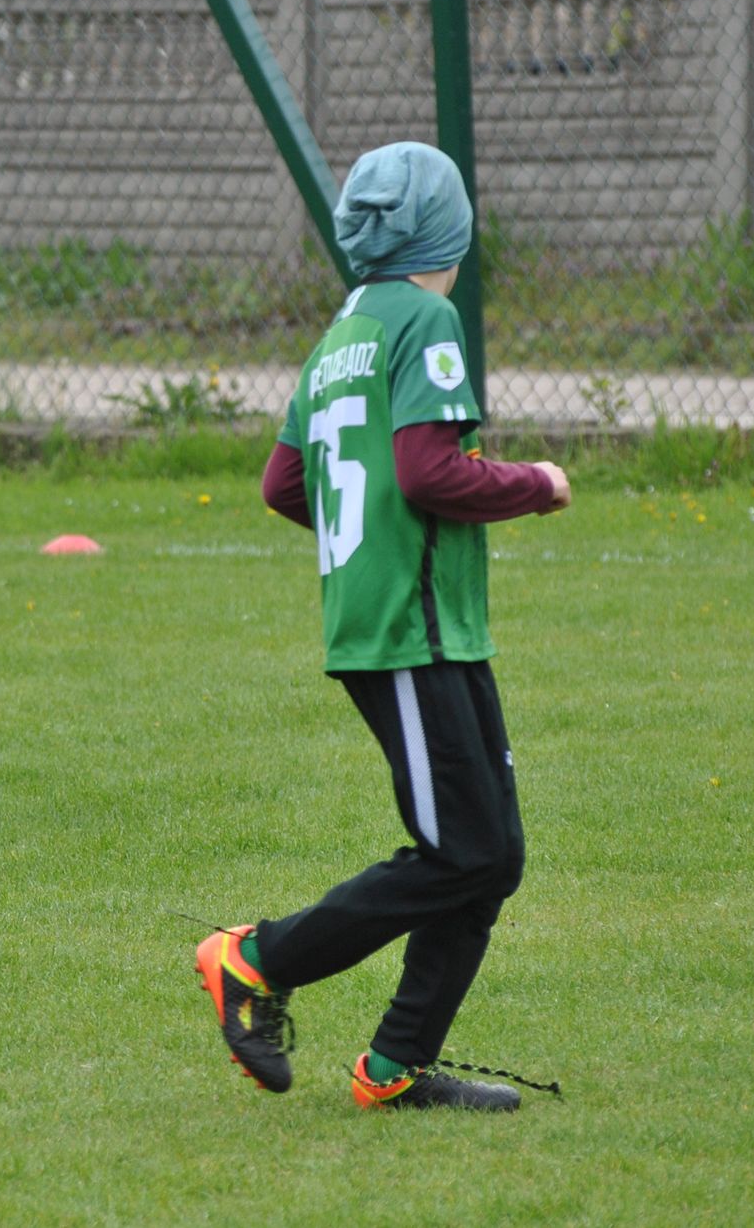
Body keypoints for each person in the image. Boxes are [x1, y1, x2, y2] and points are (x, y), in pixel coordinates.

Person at [195, 142, 570, 1110]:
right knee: (464, 852)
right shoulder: (425, 317)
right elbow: (428, 471)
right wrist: (535, 482)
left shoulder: (345, 330)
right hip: (411, 624)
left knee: (490, 854)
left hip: (421, 624)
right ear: (451, 232)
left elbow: (285, 482)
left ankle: (397, 1064)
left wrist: (361, 544)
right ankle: (253, 958)